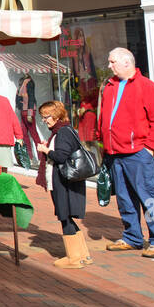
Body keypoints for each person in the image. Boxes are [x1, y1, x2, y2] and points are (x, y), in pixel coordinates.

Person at [99, 47, 154, 258]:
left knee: (148, 197)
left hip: (138, 152)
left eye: (112, 62)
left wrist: (150, 147)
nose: (109, 65)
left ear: (126, 63)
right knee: (124, 198)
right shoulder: (110, 87)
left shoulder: (146, 87)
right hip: (115, 153)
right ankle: (132, 237)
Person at [35, 100, 92, 268]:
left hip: (63, 181)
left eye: (47, 116)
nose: (45, 120)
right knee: (66, 216)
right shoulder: (62, 131)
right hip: (64, 181)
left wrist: (46, 151)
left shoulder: (63, 132)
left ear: (57, 115)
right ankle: (82, 255)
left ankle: (74, 258)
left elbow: (61, 156)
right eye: (43, 117)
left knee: (64, 216)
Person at [16, 73, 44, 185]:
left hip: (28, 110)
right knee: (24, 134)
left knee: (34, 134)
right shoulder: (22, 82)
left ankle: (41, 158)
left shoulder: (29, 83)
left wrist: (29, 112)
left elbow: (31, 97)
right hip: (23, 110)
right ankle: (30, 157)